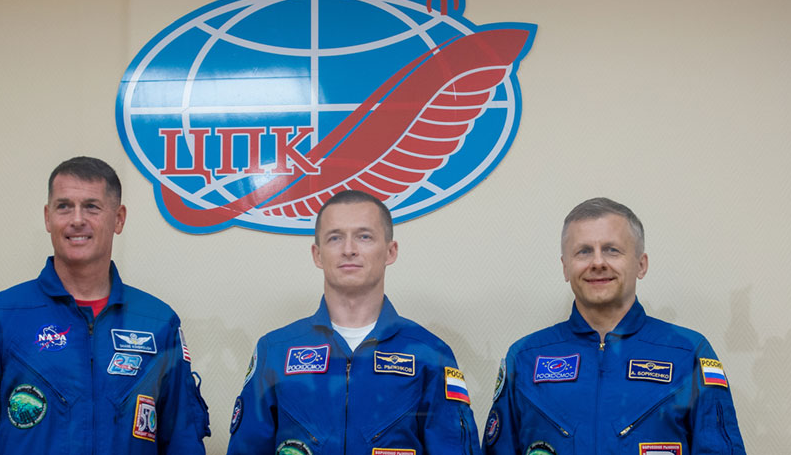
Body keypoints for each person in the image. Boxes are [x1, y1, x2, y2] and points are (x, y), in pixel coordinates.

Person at [0, 156, 210, 454]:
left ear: (118, 219)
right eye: (64, 206)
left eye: (92, 206)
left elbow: (183, 442)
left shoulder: (158, 322)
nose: (77, 219)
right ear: (48, 217)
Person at [482, 197, 745, 455]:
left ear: (641, 264)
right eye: (584, 251)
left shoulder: (688, 353)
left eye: (612, 250)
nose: (598, 263)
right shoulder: (525, 358)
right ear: (565, 267)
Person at [227, 189, 481, 454]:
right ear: (317, 254)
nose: (349, 250)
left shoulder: (431, 354)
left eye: (364, 236)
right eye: (335, 238)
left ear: (390, 251)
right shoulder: (275, 351)